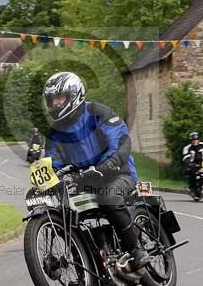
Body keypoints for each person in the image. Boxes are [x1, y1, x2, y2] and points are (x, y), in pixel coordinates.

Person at [43, 71, 150, 270]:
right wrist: (45, 180)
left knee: (108, 198)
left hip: (118, 173)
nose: (55, 104)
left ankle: (135, 250)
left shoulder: (98, 112)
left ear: (74, 95)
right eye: (51, 100)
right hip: (84, 181)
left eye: (59, 98)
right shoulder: (55, 133)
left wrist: (106, 165)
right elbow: (50, 162)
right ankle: (88, 264)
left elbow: (121, 140)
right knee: (65, 212)